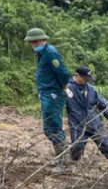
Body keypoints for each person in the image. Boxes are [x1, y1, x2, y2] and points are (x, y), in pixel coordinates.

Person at [24, 28, 71, 163]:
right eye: (31, 42)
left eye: (36, 41)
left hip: (54, 94)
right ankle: (61, 157)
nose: (33, 44)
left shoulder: (50, 52)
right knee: (49, 127)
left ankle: (64, 162)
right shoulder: (43, 53)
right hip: (47, 93)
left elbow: (63, 73)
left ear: (43, 39)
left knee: (53, 127)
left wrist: (64, 87)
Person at [66, 65, 108, 162]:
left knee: (106, 144)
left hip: (95, 123)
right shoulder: (68, 88)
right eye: (85, 78)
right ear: (78, 75)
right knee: (77, 148)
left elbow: (103, 105)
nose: (86, 81)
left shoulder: (92, 89)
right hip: (77, 125)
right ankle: (73, 166)